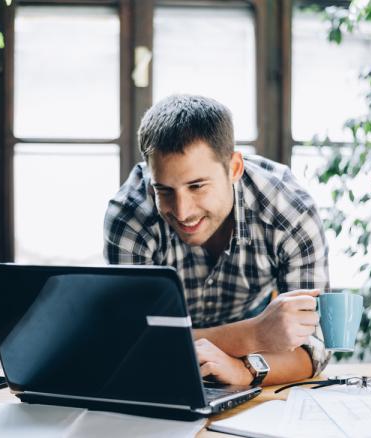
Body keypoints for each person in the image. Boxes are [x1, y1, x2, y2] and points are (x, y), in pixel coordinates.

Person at [104, 95, 330, 386]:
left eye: (197, 186)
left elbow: (314, 348)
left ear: (234, 168)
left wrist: (244, 370)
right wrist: (254, 334)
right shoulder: (129, 216)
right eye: (164, 190)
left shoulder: (289, 210)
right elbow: (133, 343)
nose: (183, 211)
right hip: (175, 365)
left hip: (251, 342)